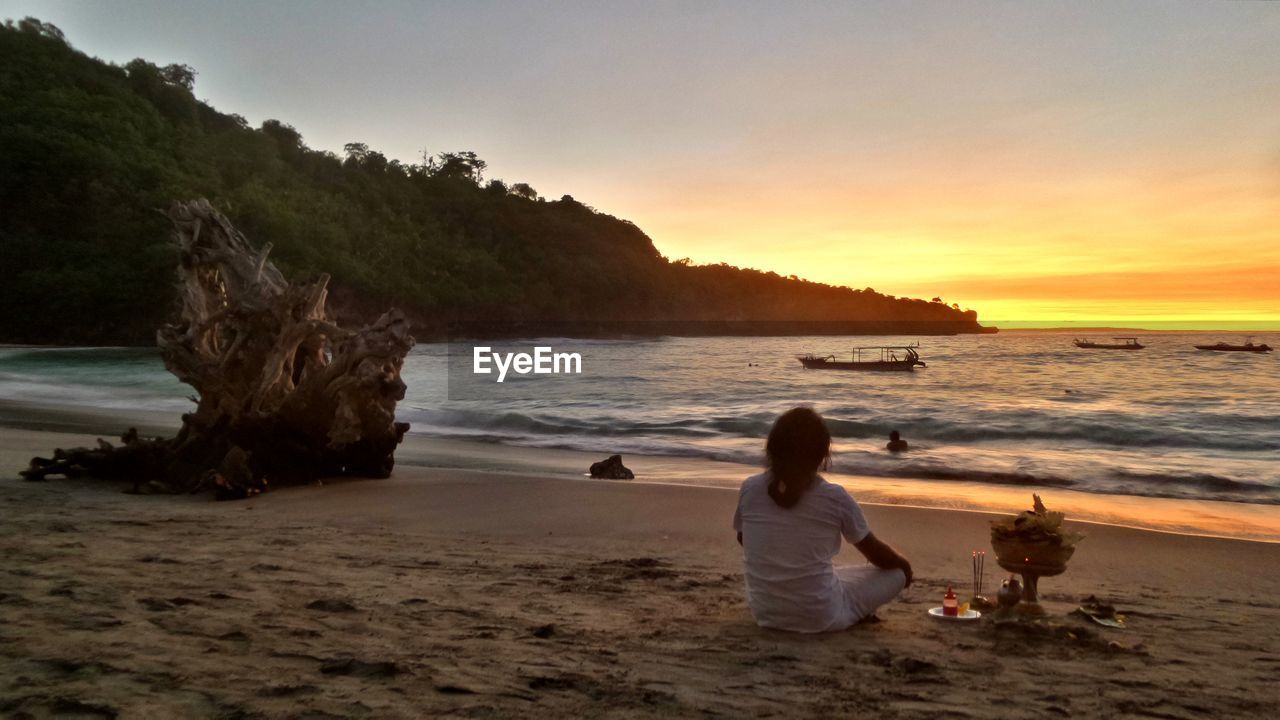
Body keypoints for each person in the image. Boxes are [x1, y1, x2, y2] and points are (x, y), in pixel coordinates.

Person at [733, 407, 913, 633]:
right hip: (821, 617)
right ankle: (853, 614)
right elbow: (876, 555)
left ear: (772, 448)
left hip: (765, 612)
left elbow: (744, 538)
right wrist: (905, 566)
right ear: (821, 454)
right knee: (896, 573)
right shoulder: (834, 496)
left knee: (837, 573)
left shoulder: (750, 488)